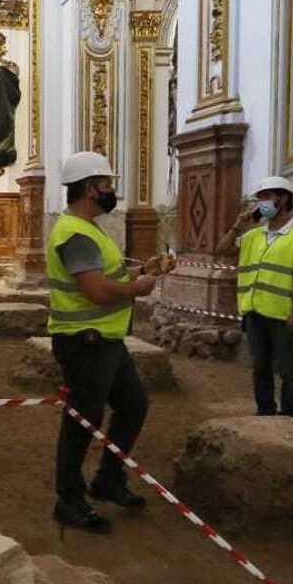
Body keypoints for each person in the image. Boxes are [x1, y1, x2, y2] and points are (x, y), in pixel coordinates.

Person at [47, 151, 171, 533]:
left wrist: (143, 269)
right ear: (90, 188)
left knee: (133, 405)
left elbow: (106, 274)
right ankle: (68, 500)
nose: (112, 191)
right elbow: (98, 290)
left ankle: (108, 479)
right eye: (108, 184)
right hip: (85, 343)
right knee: (82, 422)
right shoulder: (75, 233)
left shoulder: (90, 230)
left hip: (107, 341)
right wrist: (139, 287)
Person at [217, 175, 293, 418]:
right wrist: (237, 226)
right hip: (254, 311)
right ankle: (265, 411)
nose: (261, 203)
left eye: (266, 197)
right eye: (260, 198)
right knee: (260, 366)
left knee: (287, 369)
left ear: (283, 199)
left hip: (283, 314)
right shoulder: (253, 235)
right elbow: (222, 249)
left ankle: (290, 416)